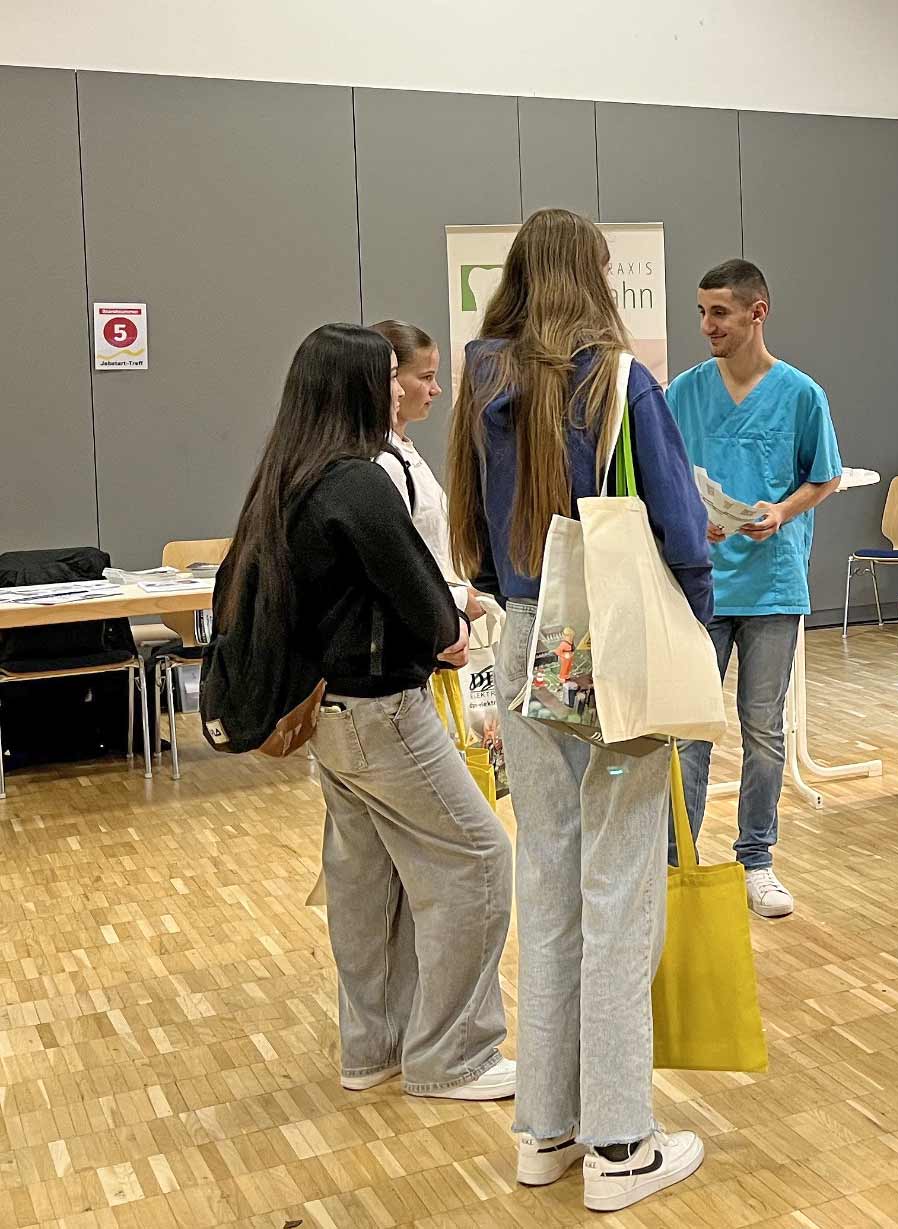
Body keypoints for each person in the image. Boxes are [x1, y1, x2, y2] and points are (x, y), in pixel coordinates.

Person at [446, 208, 712, 1212]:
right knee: (620, 888)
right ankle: (621, 1141)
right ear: (594, 276)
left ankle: (544, 1131)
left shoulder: (484, 377)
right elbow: (681, 527)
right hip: (611, 641)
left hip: (524, 634)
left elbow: (475, 528)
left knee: (550, 881)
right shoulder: (621, 380)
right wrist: (695, 629)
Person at [219, 322, 515, 1101]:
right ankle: (453, 1054)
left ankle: (373, 1047)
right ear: (357, 386)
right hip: (385, 713)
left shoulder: (287, 477)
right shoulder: (360, 483)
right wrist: (451, 631)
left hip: (332, 720)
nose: (402, 388)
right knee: (481, 858)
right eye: (389, 376)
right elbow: (430, 607)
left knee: (368, 882)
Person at [667, 259, 842, 918]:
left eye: (719, 312)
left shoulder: (801, 394)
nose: (707, 325)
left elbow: (823, 476)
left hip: (771, 585)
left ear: (756, 312)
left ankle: (756, 860)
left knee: (763, 731)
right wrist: (691, 518)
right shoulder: (683, 393)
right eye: (702, 312)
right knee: (689, 732)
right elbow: (663, 477)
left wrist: (782, 511)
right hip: (701, 586)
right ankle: (677, 862)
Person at [368, 319, 484, 621]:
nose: (436, 389)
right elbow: (396, 567)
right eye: (426, 377)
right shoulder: (383, 463)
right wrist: (457, 599)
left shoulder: (405, 451)